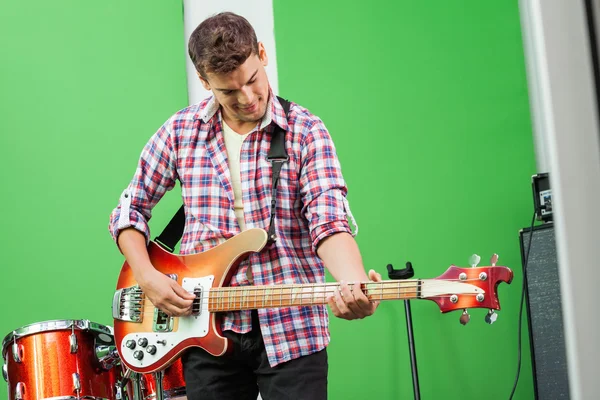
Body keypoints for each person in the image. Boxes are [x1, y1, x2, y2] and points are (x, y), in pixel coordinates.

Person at [109, 11, 381, 400]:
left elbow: (329, 220)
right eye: (229, 91)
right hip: (202, 331)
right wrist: (148, 276)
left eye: (252, 80)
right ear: (204, 83)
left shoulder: (305, 131)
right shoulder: (180, 132)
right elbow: (128, 211)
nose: (248, 97)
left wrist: (352, 281)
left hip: (293, 329)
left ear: (263, 53)